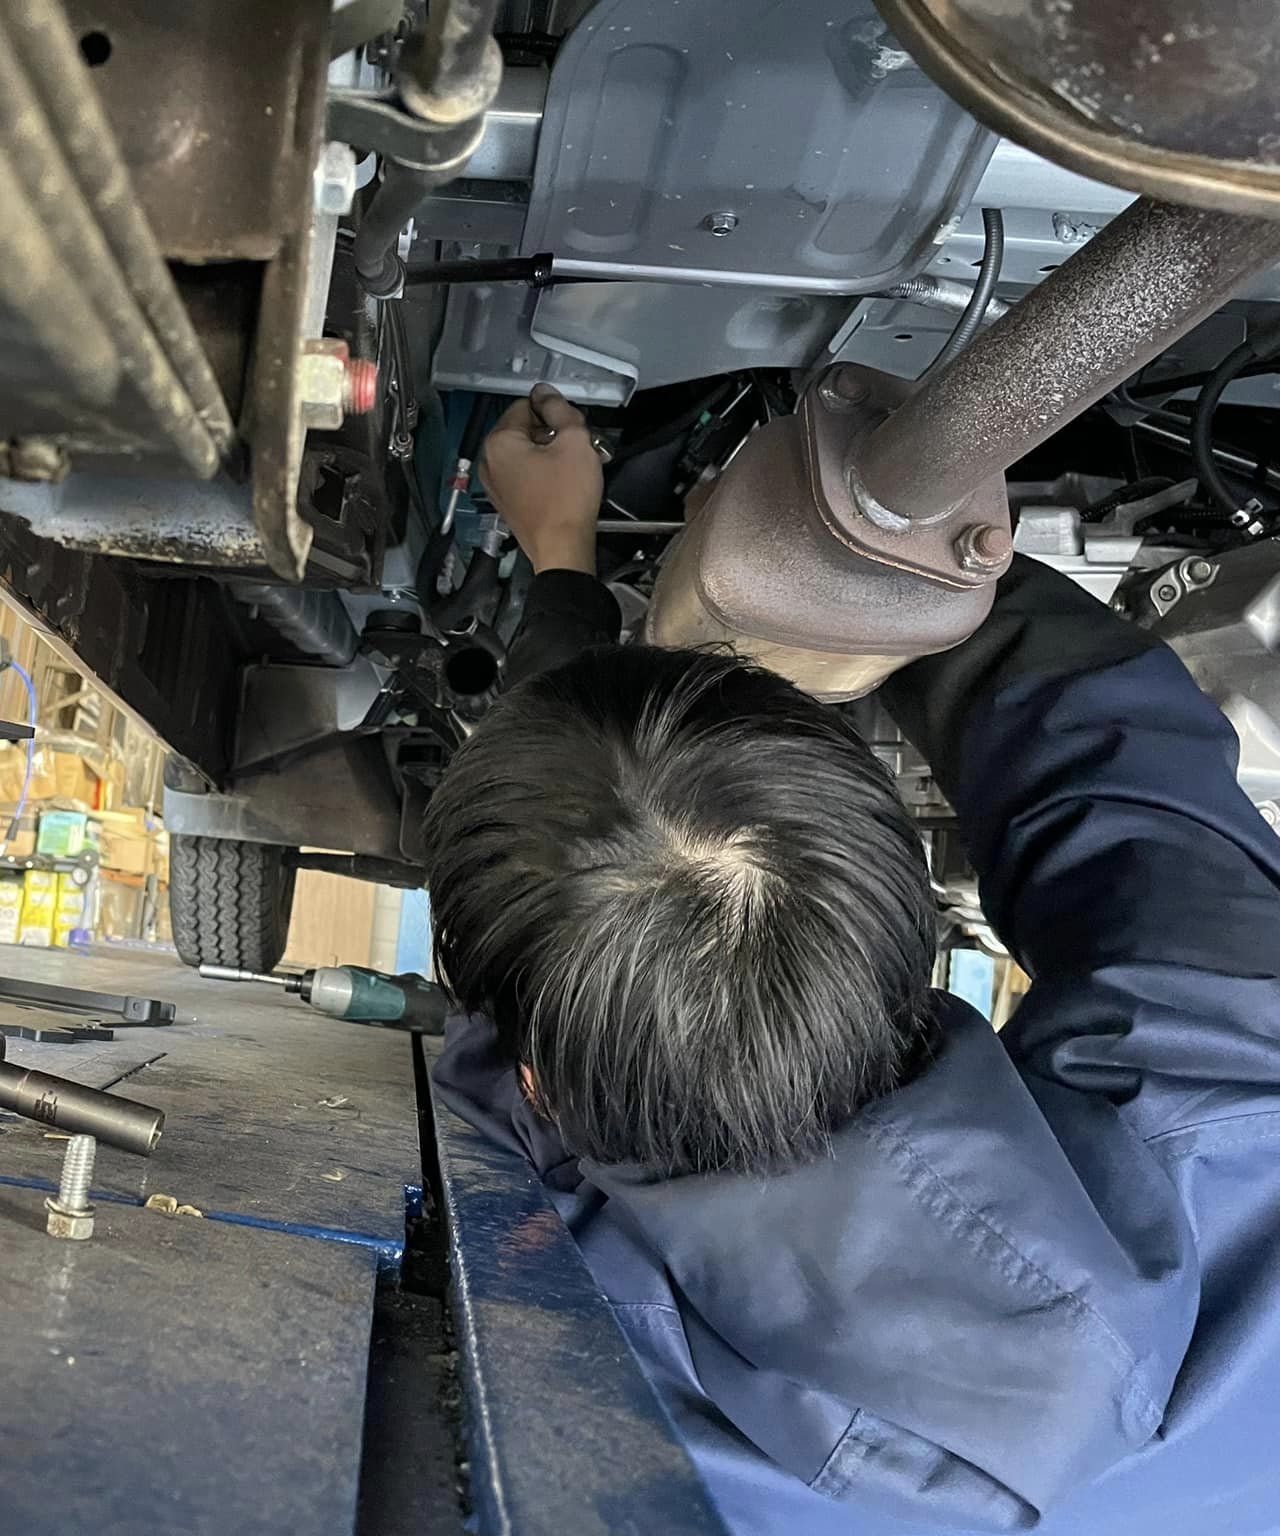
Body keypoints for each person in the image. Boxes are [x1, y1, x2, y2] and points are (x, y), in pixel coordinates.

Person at [426, 382, 1280, 1533]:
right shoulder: (566, 1400)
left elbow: (1101, 752)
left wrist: (572, 568)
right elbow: (1109, 774)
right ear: (913, 933)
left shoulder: (543, 1333)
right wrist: (843, 558)